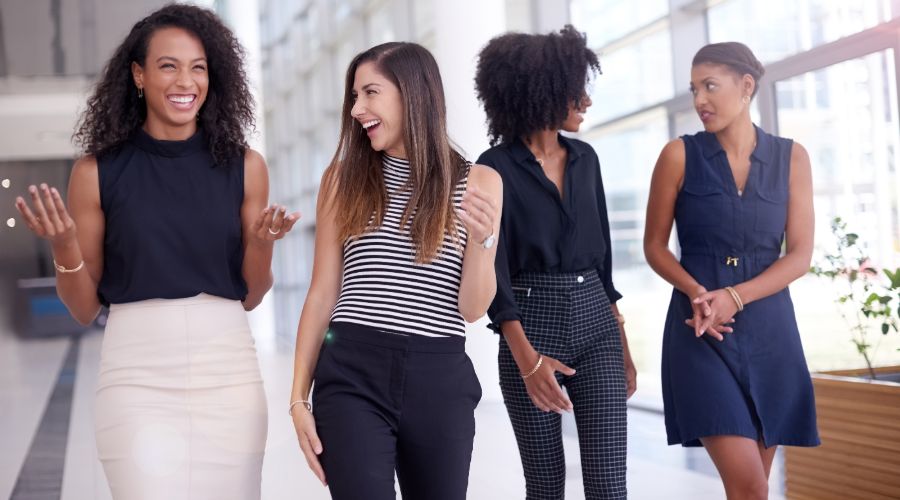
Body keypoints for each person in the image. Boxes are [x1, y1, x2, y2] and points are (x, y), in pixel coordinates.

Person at [13, 5, 295, 499]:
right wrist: (63, 245)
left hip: (227, 374)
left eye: (198, 67)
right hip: (135, 379)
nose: (185, 80)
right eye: (168, 65)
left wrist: (260, 244)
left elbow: (251, 295)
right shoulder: (96, 173)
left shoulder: (245, 166)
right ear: (139, 75)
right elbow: (83, 307)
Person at [288, 41, 502, 500]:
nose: (356, 109)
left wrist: (483, 244)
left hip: (438, 375)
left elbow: (471, 308)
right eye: (354, 96)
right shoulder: (341, 180)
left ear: (412, 94)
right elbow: (323, 292)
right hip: (351, 371)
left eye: (370, 93)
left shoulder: (479, 181)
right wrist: (297, 398)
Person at [643, 41, 820, 500]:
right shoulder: (678, 156)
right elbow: (655, 247)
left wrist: (736, 297)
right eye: (693, 89)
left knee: (752, 491)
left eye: (709, 86)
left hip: (770, 333)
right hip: (701, 330)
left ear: (746, 86)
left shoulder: (792, 158)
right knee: (748, 486)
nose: (699, 100)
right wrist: (701, 292)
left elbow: (799, 255)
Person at [474, 25, 635, 500]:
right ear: (542, 89)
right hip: (529, 324)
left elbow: (603, 264)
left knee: (609, 486)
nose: (585, 101)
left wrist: (620, 342)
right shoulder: (493, 168)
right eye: (575, 88)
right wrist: (527, 361)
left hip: (596, 325)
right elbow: (495, 276)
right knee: (545, 485)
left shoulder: (587, 159)